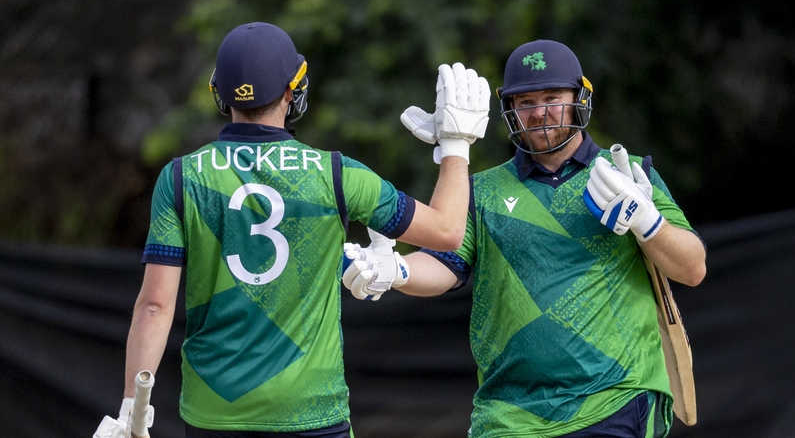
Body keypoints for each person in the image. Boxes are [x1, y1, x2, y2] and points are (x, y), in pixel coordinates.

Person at [93, 22, 490, 438]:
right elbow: (448, 232)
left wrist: (131, 407)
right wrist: (455, 146)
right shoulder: (336, 174)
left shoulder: (181, 177)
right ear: (292, 90)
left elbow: (155, 307)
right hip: (311, 412)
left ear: (219, 91)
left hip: (215, 410)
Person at [342, 39, 707, 437]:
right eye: (526, 101)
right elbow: (444, 263)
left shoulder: (630, 173)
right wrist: (397, 270)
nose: (539, 112)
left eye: (552, 98)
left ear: (579, 98)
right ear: (509, 109)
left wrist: (649, 223)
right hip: (509, 413)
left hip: (615, 400)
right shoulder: (481, 190)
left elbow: (692, 269)